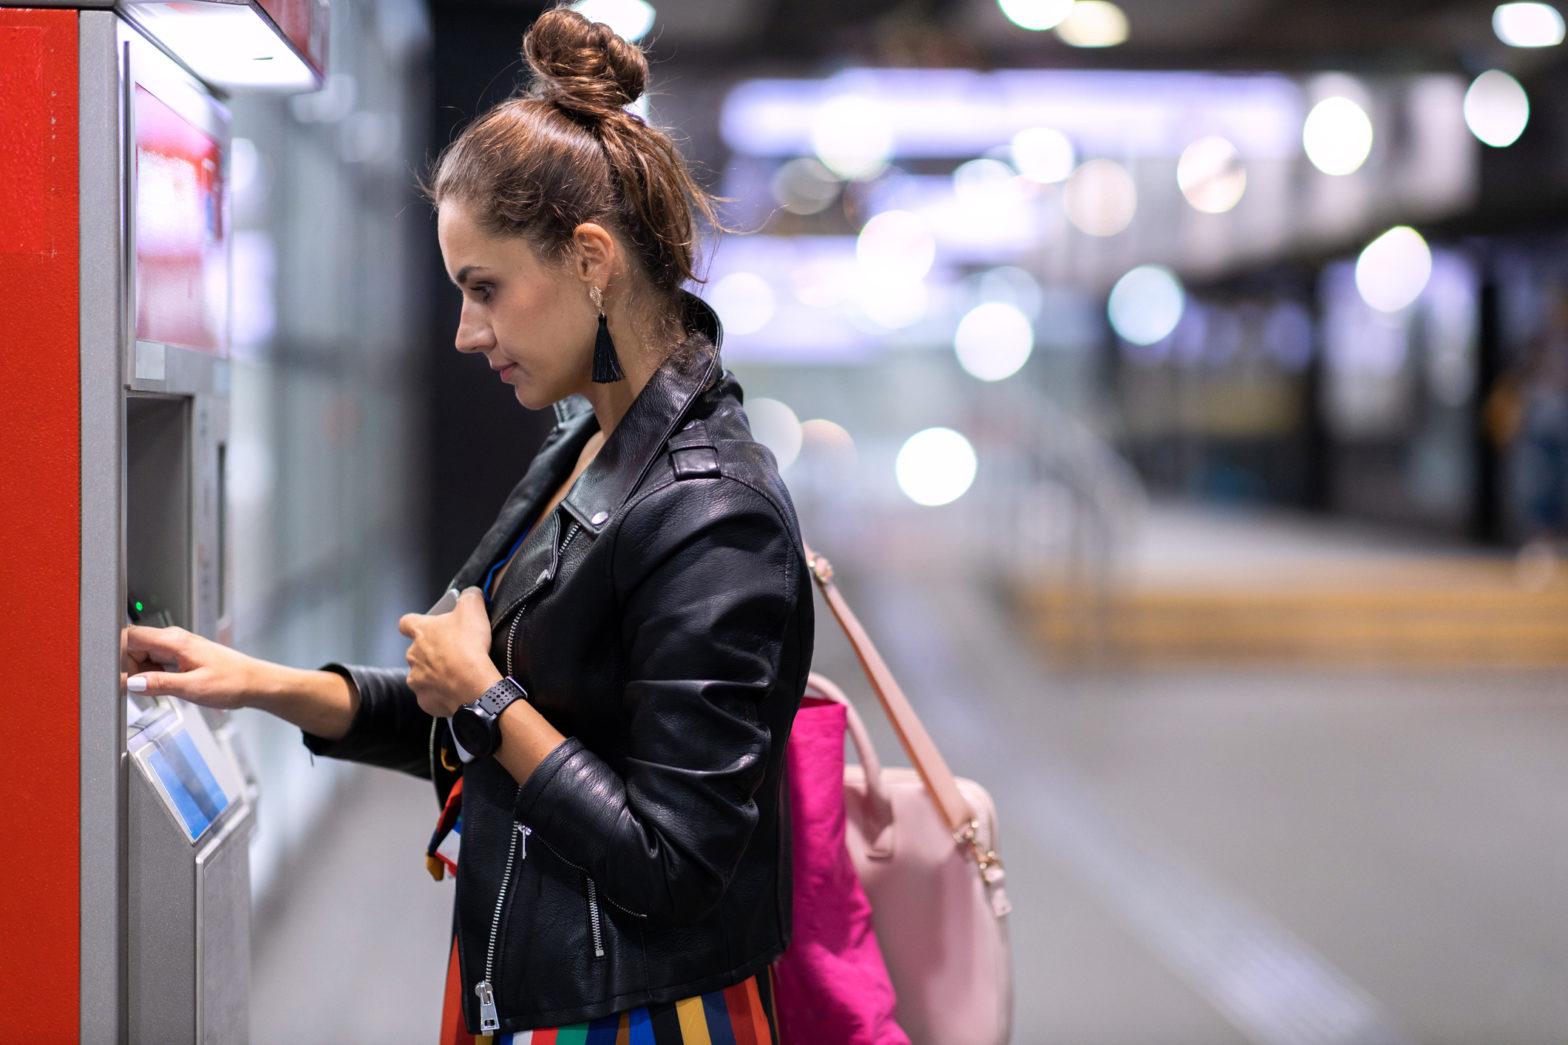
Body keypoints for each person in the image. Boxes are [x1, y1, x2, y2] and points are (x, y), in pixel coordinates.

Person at [123, 8, 813, 1041]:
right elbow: (470, 715)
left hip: (643, 1016)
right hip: (542, 985)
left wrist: (488, 702)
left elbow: (674, 863)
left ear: (589, 259)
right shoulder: (581, 452)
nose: (464, 332)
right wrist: (256, 685)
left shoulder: (711, 512)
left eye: (483, 288)